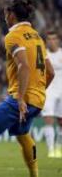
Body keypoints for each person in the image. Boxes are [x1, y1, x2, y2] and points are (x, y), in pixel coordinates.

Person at [0, 0, 55, 177]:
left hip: (20, 99)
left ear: (12, 15)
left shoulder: (13, 36)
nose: (4, 17)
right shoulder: (37, 36)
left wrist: (22, 98)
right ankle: (35, 175)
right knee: (23, 135)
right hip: (38, 99)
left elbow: (23, 65)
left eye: (5, 13)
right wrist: (37, 93)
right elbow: (51, 72)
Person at [41, 30, 62, 158]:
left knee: (61, 122)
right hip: (48, 90)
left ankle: (59, 147)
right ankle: (51, 150)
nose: (52, 41)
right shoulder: (43, 55)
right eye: (49, 39)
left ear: (58, 40)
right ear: (46, 41)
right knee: (48, 119)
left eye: (54, 39)